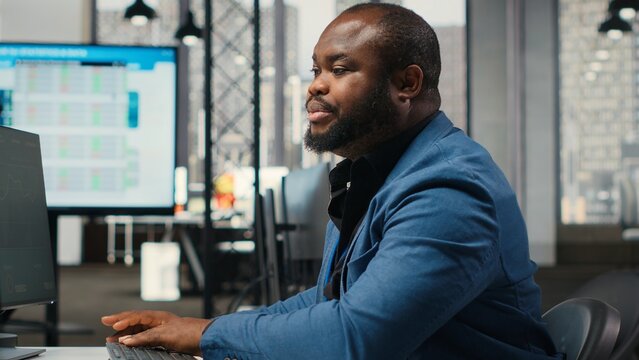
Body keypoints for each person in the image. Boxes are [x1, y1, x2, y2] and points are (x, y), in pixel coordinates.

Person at [102, 4, 562, 359]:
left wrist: (207, 334)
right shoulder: (379, 172)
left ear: (407, 83)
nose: (315, 86)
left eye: (339, 70)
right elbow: (333, 299)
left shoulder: (446, 190)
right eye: (316, 70)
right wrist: (204, 328)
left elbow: (355, 338)